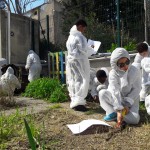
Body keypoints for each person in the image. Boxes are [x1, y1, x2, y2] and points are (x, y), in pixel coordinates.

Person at [99, 48, 141, 127]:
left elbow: (137, 89)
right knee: (102, 93)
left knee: (135, 120)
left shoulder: (135, 71)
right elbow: (115, 91)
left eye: (127, 62)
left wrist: (127, 105)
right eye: (121, 65)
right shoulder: (113, 73)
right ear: (115, 64)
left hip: (132, 100)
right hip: (117, 99)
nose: (125, 66)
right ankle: (114, 113)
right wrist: (119, 108)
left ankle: (116, 115)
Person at [66, 19, 94, 111]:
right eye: (84, 28)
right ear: (80, 26)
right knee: (82, 80)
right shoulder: (80, 37)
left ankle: (74, 101)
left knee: (74, 80)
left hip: (71, 62)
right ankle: (79, 104)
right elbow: (84, 50)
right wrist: (92, 48)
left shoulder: (70, 37)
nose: (83, 31)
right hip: (80, 62)